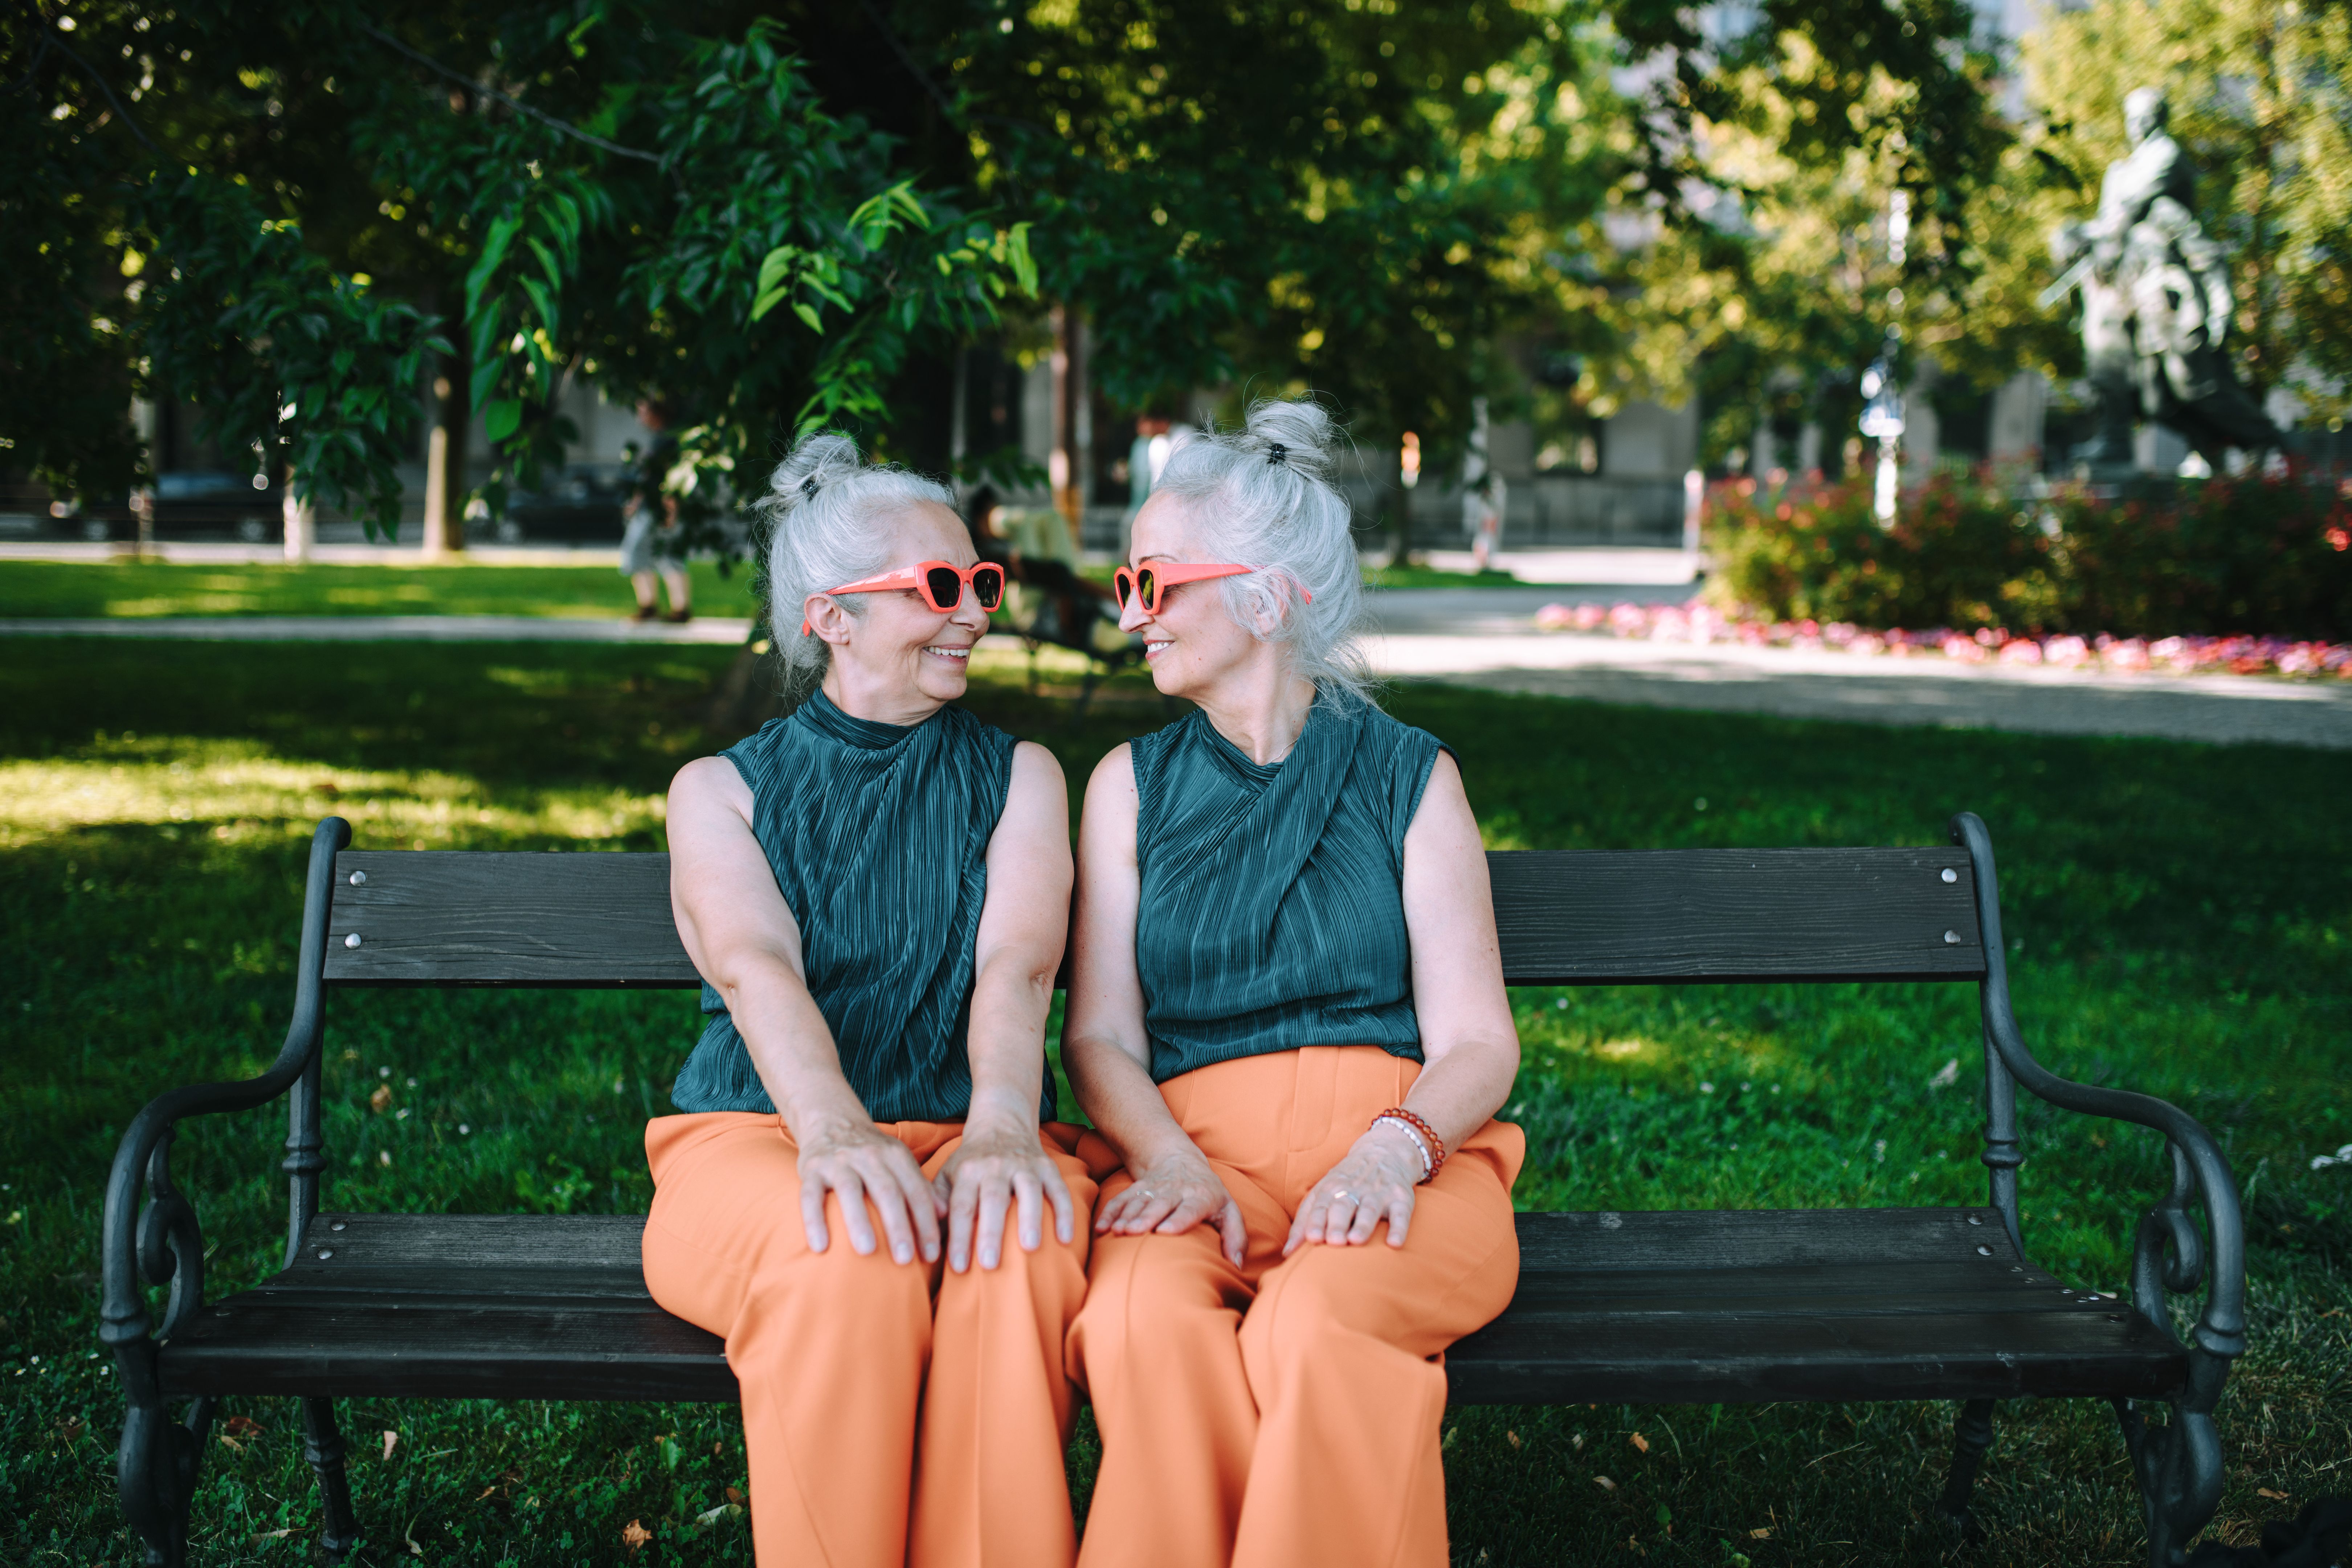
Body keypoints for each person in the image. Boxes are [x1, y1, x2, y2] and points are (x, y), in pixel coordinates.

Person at [1061, 399, 1525, 1568]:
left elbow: (1479, 1041)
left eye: (1157, 585)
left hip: (1400, 1152)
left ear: (1266, 597)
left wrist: (1391, 1148)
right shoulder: (1128, 786)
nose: (1133, 615)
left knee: (1321, 1329)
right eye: (1128, 585)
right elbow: (1102, 1038)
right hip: (1193, 1159)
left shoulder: (1409, 776)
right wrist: (1167, 1158)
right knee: (1136, 1322)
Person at [642, 433, 1112, 1568]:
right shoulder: (718, 792)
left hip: (971, 1131)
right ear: (831, 617)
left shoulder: (1024, 776)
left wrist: (1004, 1126)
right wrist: (835, 1131)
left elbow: (1019, 968)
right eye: (940, 588)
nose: (976, 613)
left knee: (1024, 1242)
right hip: (756, 1139)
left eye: (982, 583)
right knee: (848, 1253)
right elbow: (757, 967)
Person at [620, 399, 693, 622]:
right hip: (652, 508)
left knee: (663, 554)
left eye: (643, 411)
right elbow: (650, 476)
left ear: (656, 412)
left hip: (659, 509)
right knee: (645, 553)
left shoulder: (670, 440)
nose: (640, 416)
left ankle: (677, 609)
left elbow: (673, 477)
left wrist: (671, 508)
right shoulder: (661, 439)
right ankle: (651, 605)